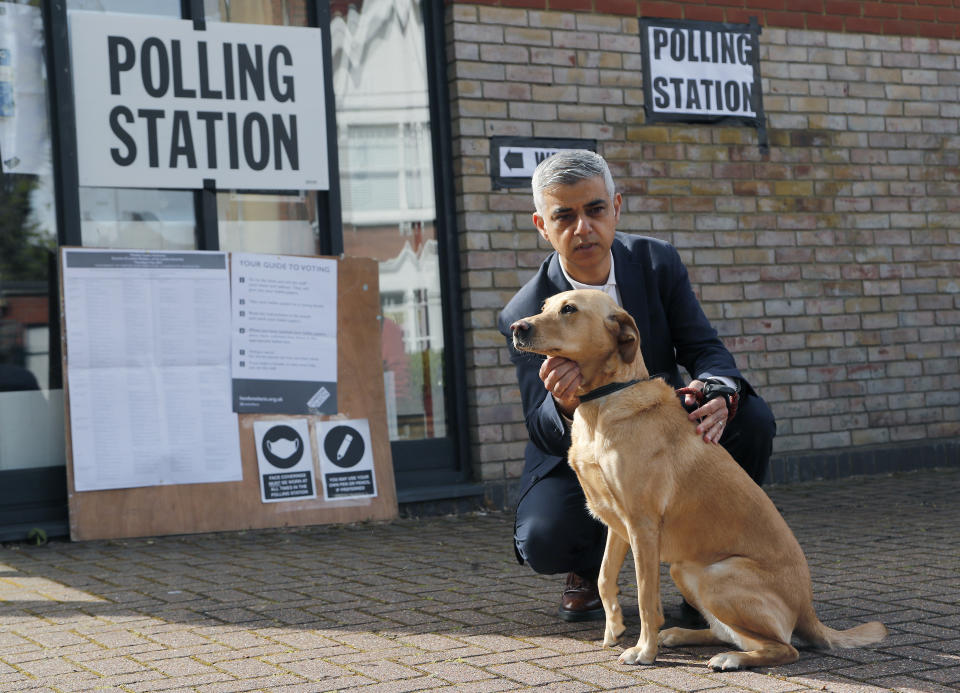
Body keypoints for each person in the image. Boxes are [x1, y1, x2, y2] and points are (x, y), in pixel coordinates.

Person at [497, 150, 776, 622]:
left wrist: (717, 388)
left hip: (656, 436)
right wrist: (564, 405)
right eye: (564, 215)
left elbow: (704, 346)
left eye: (595, 210)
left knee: (751, 417)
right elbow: (539, 428)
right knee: (544, 537)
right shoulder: (523, 314)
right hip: (580, 456)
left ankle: (709, 560)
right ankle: (584, 571)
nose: (582, 227)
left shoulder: (655, 263)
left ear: (617, 208)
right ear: (542, 226)